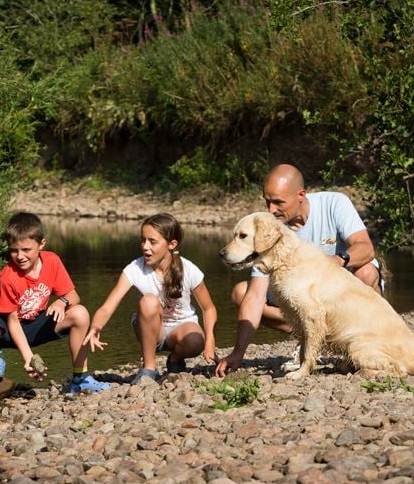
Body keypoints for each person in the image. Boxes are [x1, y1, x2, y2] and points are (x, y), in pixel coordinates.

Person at [216, 163, 381, 378]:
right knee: (241, 292)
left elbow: (366, 248)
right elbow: (255, 296)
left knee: (367, 272)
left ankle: (374, 341)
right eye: (267, 201)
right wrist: (238, 353)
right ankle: (312, 339)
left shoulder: (334, 203)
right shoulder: (271, 228)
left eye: (278, 202)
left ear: (301, 195)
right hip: (306, 303)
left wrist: (335, 261)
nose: (271, 210)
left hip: (340, 295)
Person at [0, 212, 110, 393]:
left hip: (37, 325)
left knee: (80, 313)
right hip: (7, 328)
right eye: (13, 250)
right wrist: (28, 357)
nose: (20, 256)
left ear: (41, 244)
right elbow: (12, 321)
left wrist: (61, 302)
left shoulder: (52, 261)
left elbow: (74, 296)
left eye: (26, 250)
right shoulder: (7, 277)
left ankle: (80, 377)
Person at [83, 213, 218, 383]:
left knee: (196, 341)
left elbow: (208, 308)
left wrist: (210, 341)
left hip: (181, 329)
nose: (145, 247)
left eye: (152, 242)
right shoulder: (134, 269)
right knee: (149, 301)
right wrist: (95, 327)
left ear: (172, 244)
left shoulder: (189, 269)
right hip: (149, 329)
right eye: (143, 240)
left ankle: (175, 360)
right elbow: (108, 306)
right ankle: (149, 368)